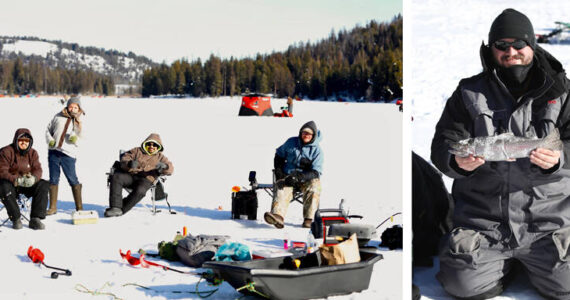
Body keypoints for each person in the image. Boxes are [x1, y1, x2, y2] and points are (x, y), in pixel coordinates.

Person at [431, 9, 570, 299]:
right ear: (490, 48)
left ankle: (533, 263)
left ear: (532, 45)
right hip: (485, 223)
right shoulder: (469, 92)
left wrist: (560, 158)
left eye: (519, 44)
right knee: (461, 285)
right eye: (502, 45)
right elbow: (444, 142)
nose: (511, 52)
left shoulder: (563, 91)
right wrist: (456, 161)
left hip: (548, 221)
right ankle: (501, 266)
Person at [264, 121, 323, 229]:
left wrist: (299, 177)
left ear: (313, 136)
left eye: (309, 134)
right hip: (287, 176)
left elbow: (316, 172)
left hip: (305, 180)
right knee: (280, 186)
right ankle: (278, 217)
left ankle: (309, 219)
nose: (306, 136)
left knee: (315, 186)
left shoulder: (317, 151)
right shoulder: (291, 142)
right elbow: (279, 155)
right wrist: (279, 172)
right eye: (304, 133)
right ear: (300, 133)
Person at [105, 133, 173, 217]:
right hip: (131, 175)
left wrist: (165, 166)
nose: (151, 147)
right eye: (149, 144)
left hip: (146, 180)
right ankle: (115, 207)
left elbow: (171, 169)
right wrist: (129, 163)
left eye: (154, 145)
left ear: (158, 146)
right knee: (117, 177)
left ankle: (121, 209)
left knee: (140, 190)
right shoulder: (137, 151)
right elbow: (125, 158)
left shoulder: (161, 157)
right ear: (145, 144)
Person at [0, 129, 49, 230]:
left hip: (26, 184)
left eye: (27, 141)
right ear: (16, 140)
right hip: (10, 184)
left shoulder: (33, 153)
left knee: (43, 184)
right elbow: (2, 171)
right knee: (3, 186)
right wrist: (17, 180)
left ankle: (35, 219)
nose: (24, 143)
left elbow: (38, 169)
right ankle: (16, 218)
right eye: (21, 140)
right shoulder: (6, 151)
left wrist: (34, 178)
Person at [45, 96, 85, 215]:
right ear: (67, 106)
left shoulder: (80, 120)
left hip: (68, 154)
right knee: (53, 179)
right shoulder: (58, 116)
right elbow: (48, 130)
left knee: (72, 179)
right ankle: (52, 207)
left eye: (75, 107)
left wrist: (75, 137)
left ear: (79, 108)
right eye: (71, 106)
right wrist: (50, 140)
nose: (73, 108)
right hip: (54, 152)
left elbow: (83, 135)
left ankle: (79, 207)